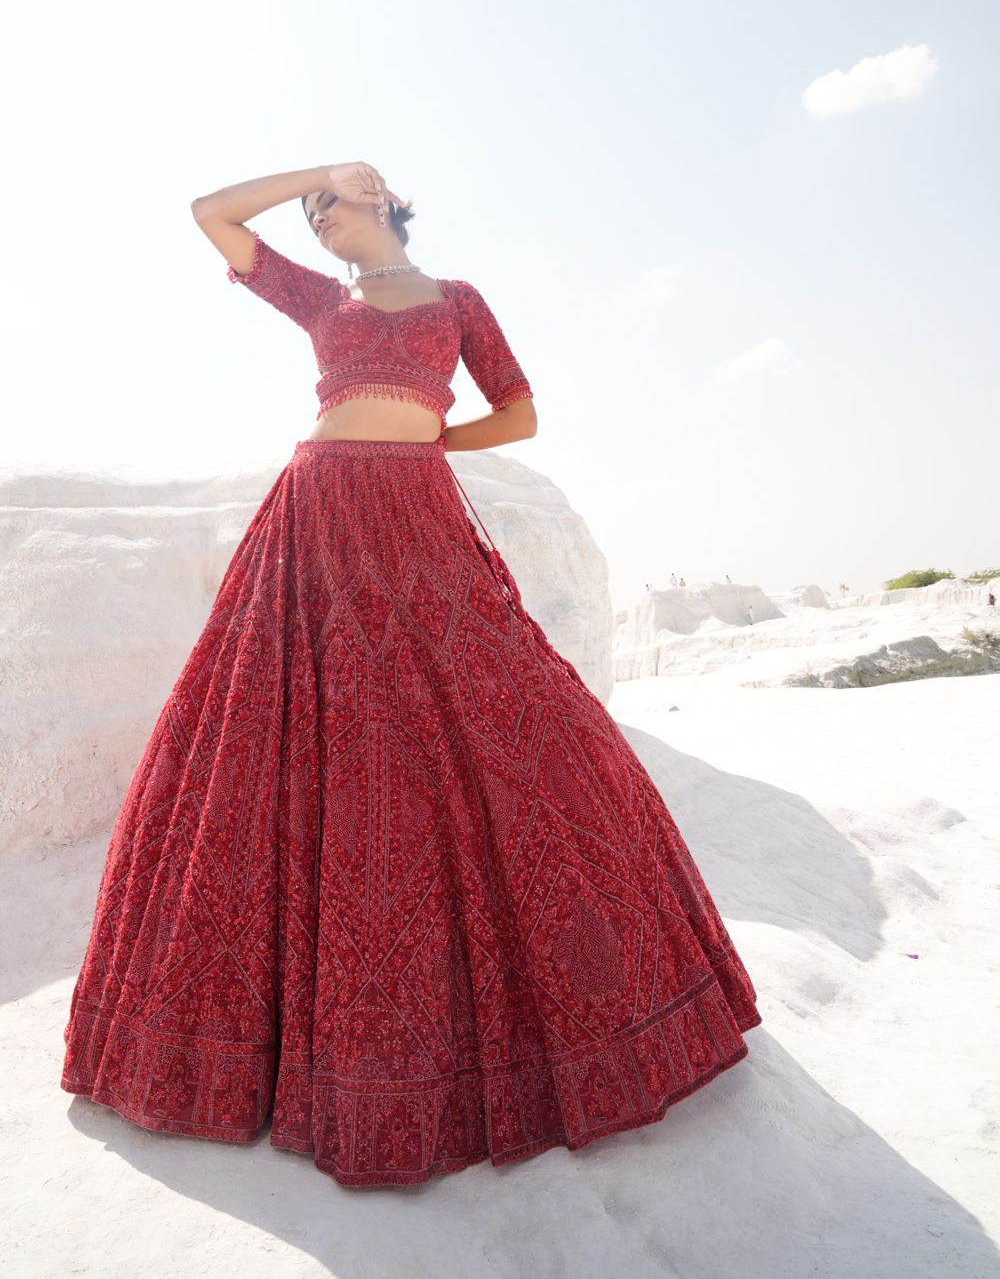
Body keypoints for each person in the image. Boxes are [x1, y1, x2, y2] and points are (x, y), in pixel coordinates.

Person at [60, 161, 761, 1190]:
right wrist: (312, 165)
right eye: (312, 216)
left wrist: (430, 440)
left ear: (382, 201)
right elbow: (208, 214)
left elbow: (518, 412)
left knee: (501, 712)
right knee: (283, 731)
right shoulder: (318, 297)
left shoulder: (459, 301)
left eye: (332, 207)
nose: (319, 223)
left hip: (414, 509)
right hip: (316, 515)